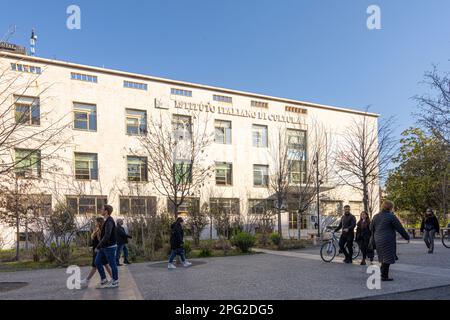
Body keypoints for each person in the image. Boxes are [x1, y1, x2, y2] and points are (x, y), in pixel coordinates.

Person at [370, 200, 410, 281]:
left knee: (382, 257)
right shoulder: (391, 216)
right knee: (387, 258)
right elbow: (400, 228)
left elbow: (371, 228)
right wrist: (407, 237)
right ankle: (384, 276)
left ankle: (382, 274)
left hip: (378, 239)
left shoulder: (376, 216)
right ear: (391, 207)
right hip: (387, 239)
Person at [79, 217, 113, 288]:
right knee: (105, 265)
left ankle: (87, 279)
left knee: (95, 266)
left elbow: (101, 241)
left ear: (99, 222)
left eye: (96, 222)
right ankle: (113, 278)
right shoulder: (97, 230)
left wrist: (97, 248)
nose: (95, 223)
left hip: (99, 250)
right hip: (97, 250)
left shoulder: (101, 231)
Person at [95, 205, 119, 288]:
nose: (100, 210)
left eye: (101, 209)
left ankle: (115, 281)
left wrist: (98, 246)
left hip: (110, 247)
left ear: (106, 211)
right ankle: (104, 279)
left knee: (112, 264)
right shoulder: (106, 220)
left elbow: (107, 235)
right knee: (97, 262)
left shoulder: (109, 221)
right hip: (104, 246)